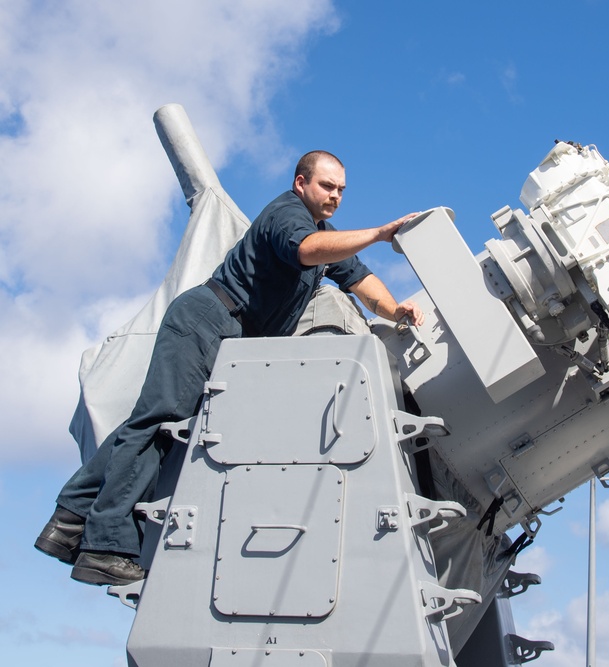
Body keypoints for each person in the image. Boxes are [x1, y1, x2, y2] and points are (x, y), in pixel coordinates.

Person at [36, 150, 424, 586]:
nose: (334, 196)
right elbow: (306, 250)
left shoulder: (323, 233)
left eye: (340, 190)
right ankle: (105, 546)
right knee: (161, 423)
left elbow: (358, 279)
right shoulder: (287, 215)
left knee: (149, 422)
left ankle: (68, 521)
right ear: (301, 184)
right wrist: (376, 233)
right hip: (208, 321)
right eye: (326, 186)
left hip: (229, 337)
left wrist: (395, 310)